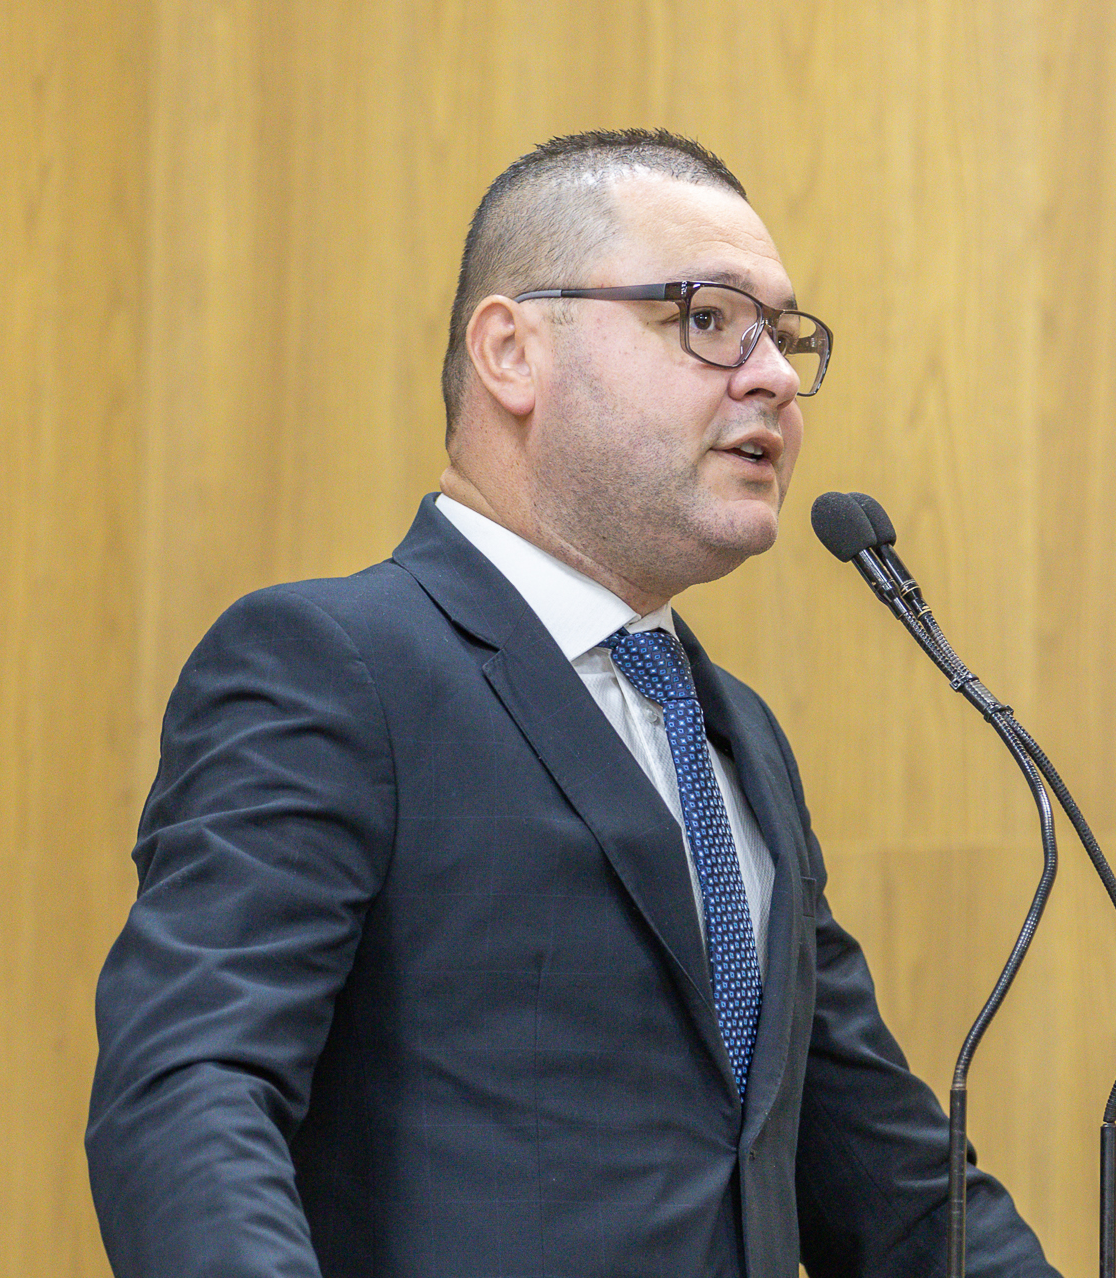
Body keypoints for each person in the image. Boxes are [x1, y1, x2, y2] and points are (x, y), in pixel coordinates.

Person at [86, 129, 1058, 1278]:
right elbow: (190, 1093)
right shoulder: (334, 665)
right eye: (707, 318)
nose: (771, 376)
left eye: (784, 336)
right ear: (511, 351)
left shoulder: (734, 736)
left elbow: (891, 1187)